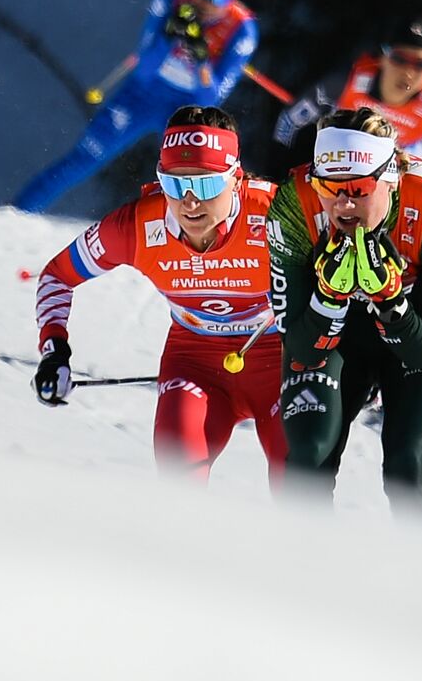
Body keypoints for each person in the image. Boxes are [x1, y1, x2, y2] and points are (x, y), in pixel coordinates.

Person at [30, 105, 286, 488]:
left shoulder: (276, 215)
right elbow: (57, 276)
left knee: (299, 484)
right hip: (196, 364)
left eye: (205, 185)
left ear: (236, 178)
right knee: (177, 475)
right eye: (174, 185)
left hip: (284, 363)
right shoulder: (137, 225)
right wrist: (54, 350)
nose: (189, 202)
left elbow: (357, 270)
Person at [266, 106, 422, 512]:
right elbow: (303, 348)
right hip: (340, 330)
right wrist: (328, 297)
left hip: (419, 324)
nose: (343, 205)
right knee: (307, 460)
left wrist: (390, 301)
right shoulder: (293, 204)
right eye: (329, 189)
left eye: (359, 189)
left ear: (391, 178)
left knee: (406, 469)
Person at [15, 0, 258, 212]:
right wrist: (167, 37)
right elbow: (144, 68)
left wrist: (200, 57)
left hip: (186, 112)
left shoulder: (242, 30)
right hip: (142, 95)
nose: (207, 1)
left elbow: (209, 99)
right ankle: (17, 211)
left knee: (196, 182)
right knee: (86, 156)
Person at [270, 15, 422, 192]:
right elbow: (289, 121)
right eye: (400, 58)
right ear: (384, 56)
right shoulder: (347, 83)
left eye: (421, 64)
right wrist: (280, 181)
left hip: (402, 162)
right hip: (344, 158)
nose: (408, 72)